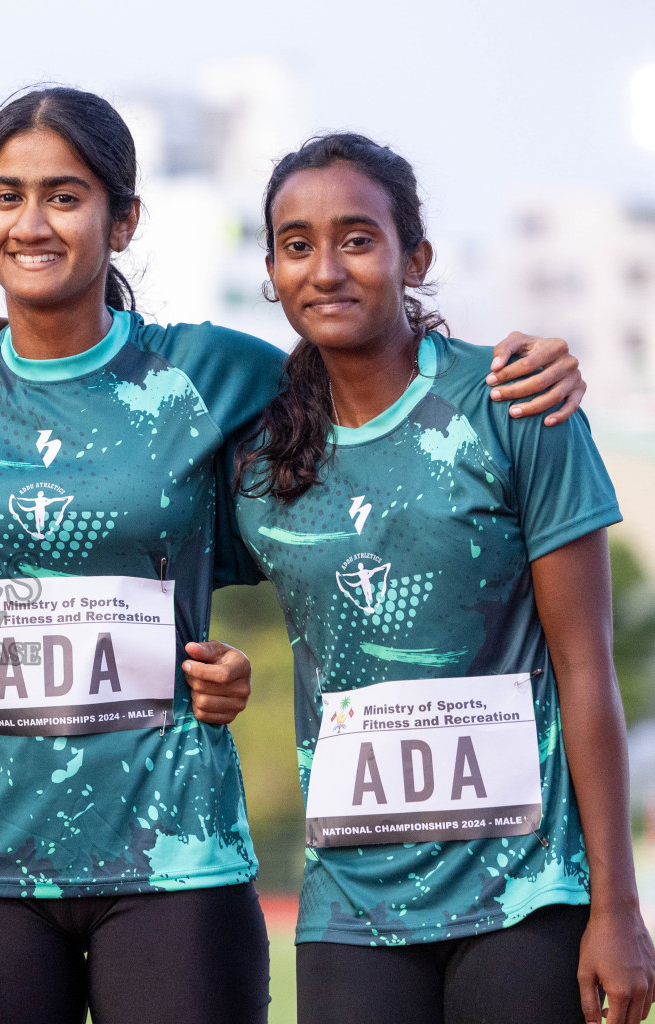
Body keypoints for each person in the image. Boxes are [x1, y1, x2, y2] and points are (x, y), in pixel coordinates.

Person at [0, 88, 587, 1024]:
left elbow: (365, 391)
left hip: (179, 858)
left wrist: (512, 367)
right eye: (5, 196)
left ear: (123, 219)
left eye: (65, 194)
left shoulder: (215, 373)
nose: (32, 221)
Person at [232, 133, 655, 1024]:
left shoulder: (516, 406)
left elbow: (587, 666)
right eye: (297, 245)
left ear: (413, 256)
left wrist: (616, 907)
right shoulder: (259, 462)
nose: (327, 269)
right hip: (349, 911)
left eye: (357, 238)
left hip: (523, 898)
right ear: (270, 269)